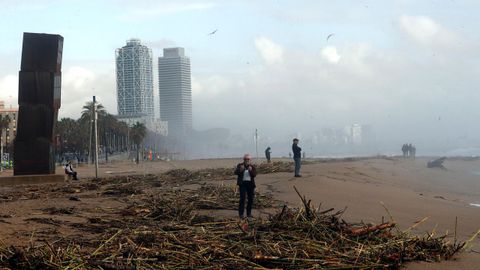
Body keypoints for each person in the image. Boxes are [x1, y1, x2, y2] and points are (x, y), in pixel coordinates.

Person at [234, 154, 257, 219]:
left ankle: (248, 214)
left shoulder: (252, 166)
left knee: (250, 199)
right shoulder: (240, 165)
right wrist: (241, 170)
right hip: (242, 184)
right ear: (243, 160)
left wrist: (250, 170)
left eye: (248, 159)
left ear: (250, 160)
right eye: (245, 159)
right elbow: (236, 172)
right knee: (242, 199)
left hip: (250, 184)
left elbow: (254, 174)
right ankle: (241, 214)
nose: (247, 160)